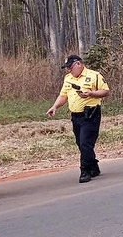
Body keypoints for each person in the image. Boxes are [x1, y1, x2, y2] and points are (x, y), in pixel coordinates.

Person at [46, 55, 110, 183]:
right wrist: (55, 106)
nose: (69, 70)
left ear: (79, 64)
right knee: (80, 143)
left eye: (70, 67)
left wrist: (91, 93)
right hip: (76, 116)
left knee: (86, 143)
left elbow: (105, 91)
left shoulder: (94, 75)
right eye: (67, 68)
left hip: (91, 114)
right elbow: (63, 95)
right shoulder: (68, 78)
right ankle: (93, 166)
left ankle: (85, 170)